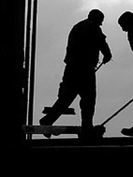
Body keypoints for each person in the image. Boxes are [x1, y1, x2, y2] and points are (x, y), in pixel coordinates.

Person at [40, 9, 112, 138]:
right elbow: (102, 43)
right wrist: (107, 55)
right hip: (85, 70)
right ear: (97, 19)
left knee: (65, 99)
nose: (100, 24)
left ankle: (48, 120)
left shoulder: (77, 27)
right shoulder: (93, 27)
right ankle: (87, 128)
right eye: (100, 21)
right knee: (88, 100)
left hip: (71, 69)